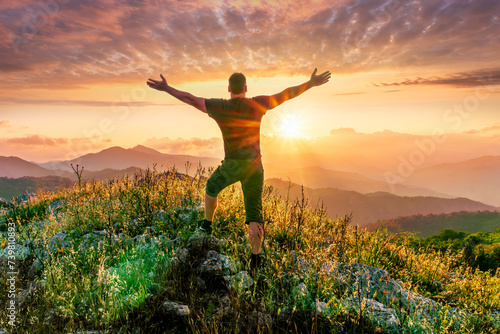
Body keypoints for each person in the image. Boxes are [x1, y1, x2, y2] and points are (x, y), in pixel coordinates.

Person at [147, 68, 331, 270]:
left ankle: (207, 224)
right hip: (254, 165)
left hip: (232, 164)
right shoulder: (258, 103)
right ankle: (255, 259)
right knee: (254, 214)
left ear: (228, 88)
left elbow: (190, 98)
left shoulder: (220, 106)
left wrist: (167, 88)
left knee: (211, 188)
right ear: (245, 88)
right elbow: (286, 94)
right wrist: (310, 83)